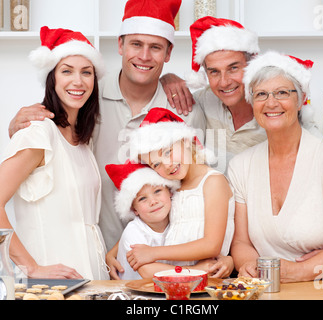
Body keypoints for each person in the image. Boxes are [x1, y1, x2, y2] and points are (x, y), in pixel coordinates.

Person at [8, 0, 206, 254]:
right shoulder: (85, 101)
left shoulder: (185, 111)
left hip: (164, 259)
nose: (145, 56)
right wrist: (18, 127)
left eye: (155, 47)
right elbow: (50, 133)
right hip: (94, 257)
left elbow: (195, 192)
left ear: (168, 54)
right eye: (136, 44)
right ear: (120, 45)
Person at [0, 26, 109, 280]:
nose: (78, 81)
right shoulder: (38, 133)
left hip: (90, 280)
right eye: (67, 71)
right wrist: (32, 268)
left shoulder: (82, 140)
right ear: (52, 78)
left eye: (86, 72)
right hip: (51, 285)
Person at [228, 51, 323, 282]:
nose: (271, 103)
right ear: (252, 103)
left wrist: (302, 270)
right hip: (264, 290)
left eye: (282, 92)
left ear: (301, 100)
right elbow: (241, 242)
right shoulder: (240, 166)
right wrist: (251, 266)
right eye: (261, 94)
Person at [161, 16, 320, 174]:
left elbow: (321, 153)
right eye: (214, 72)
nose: (224, 82)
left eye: (233, 68)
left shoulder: (274, 110)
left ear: (252, 65)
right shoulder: (203, 101)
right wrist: (166, 79)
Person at [125, 107, 234, 274]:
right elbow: (152, 222)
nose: (167, 164)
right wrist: (114, 251)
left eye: (168, 152)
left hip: (209, 277)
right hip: (176, 280)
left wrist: (153, 253)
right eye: (156, 164)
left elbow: (212, 245)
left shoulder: (213, 182)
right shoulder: (173, 189)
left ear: (185, 141)